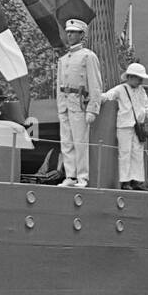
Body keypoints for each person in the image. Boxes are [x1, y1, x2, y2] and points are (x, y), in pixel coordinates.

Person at [55, 18, 104, 188]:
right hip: (66, 104)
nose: (69, 35)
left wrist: (93, 109)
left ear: (81, 35)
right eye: (68, 32)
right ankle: (70, 175)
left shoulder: (88, 56)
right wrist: (60, 106)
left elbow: (96, 84)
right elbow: (59, 86)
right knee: (66, 141)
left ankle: (82, 177)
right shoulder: (63, 59)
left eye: (73, 32)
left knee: (80, 142)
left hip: (80, 104)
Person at [99, 62, 148, 191]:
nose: (141, 81)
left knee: (137, 153)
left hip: (137, 126)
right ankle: (125, 181)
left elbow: (147, 105)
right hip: (125, 125)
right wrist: (96, 98)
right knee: (125, 153)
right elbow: (108, 96)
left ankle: (136, 181)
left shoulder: (141, 91)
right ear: (130, 77)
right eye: (139, 78)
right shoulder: (120, 89)